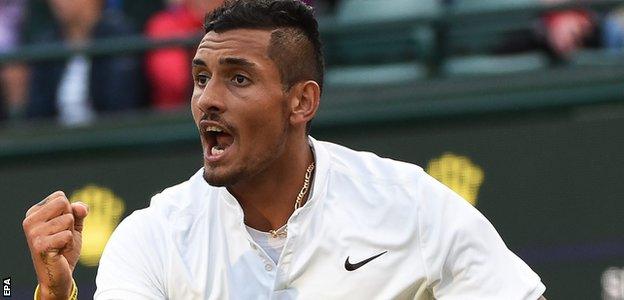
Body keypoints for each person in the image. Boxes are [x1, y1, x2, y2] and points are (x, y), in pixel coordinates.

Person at [22, 0, 548, 299]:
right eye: (201, 77)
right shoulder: (152, 237)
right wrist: (55, 296)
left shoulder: (409, 202)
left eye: (238, 79)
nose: (208, 99)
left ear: (301, 102)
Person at [24, 0, 143, 126]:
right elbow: (37, 113)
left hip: (108, 137)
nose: (57, 2)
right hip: (59, 140)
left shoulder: (120, 37)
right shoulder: (46, 43)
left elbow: (120, 104)